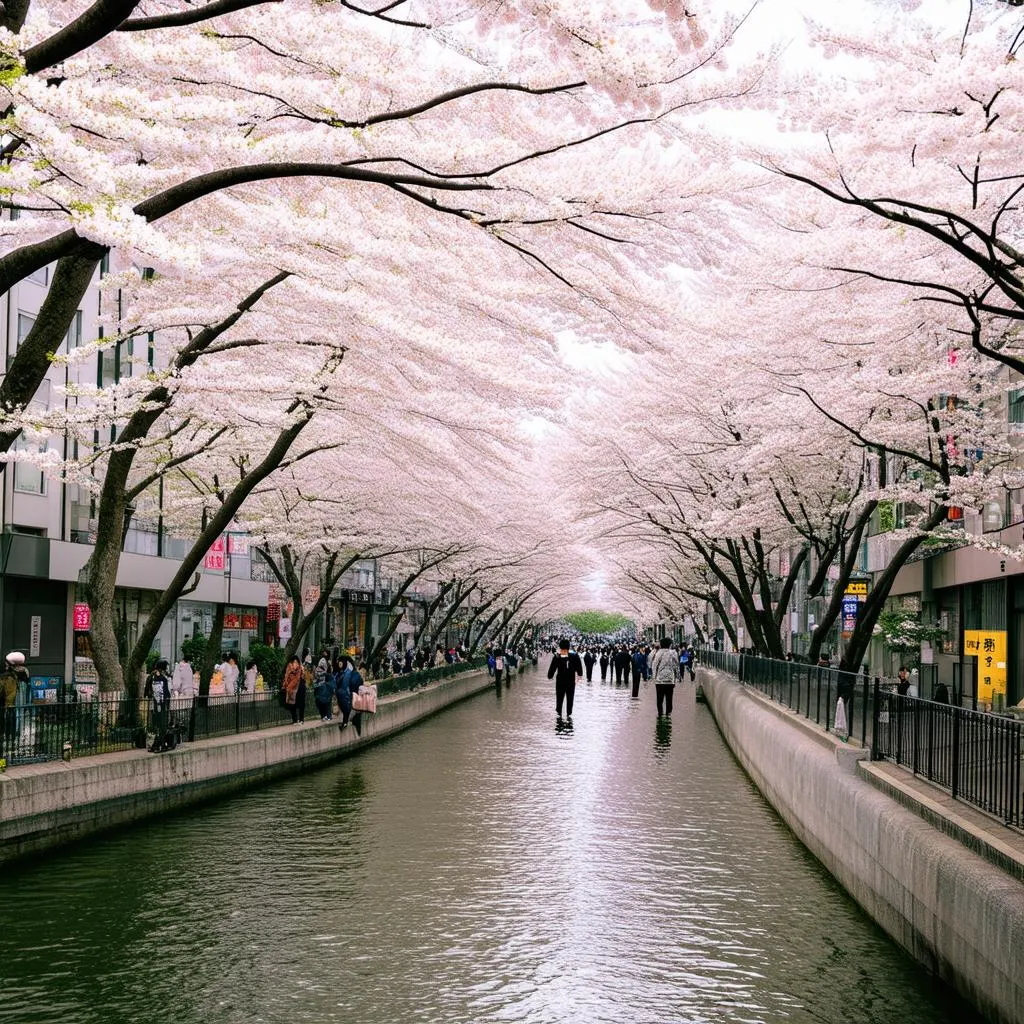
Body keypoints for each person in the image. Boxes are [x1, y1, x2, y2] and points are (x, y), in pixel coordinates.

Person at [547, 638, 584, 720]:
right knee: (570, 698)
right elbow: (580, 670)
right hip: (570, 681)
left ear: (560, 647)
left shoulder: (557, 656)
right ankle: (569, 714)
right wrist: (579, 674)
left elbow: (551, 670)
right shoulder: (574, 656)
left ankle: (559, 713)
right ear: (568, 646)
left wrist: (550, 676)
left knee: (559, 698)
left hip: (560, 681)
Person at [1, 652, 27, 757]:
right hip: (12, 706)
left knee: (7, 728)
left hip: (7, 706)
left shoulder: (8, 677)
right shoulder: (20, 674)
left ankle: (4, 759)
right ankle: (10, 751)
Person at [649, 636, 681, 716]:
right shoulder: (674, 653)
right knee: (669, 698)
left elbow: (654, 665)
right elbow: (676, 666)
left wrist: (654, 677)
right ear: (670, 645)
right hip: (670, 680)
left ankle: (660, 714)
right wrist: (678, 676)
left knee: (659, 699)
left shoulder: (658, 653)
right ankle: (668, 714)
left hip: (659, 681)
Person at [145, 659, 172, 750]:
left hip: (155, 704)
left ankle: (156, 744)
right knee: (162, 724)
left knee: (156, 725)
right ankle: (160, 744)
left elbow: (146, 690)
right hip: (163, 703)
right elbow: (166, 691)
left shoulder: (151, 676)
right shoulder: (162, 677)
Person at [282, 654, 304, 724]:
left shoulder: (300, 668)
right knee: (292, 705)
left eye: (296, 662)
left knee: (300, 704)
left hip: (299, 688)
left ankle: (301, 719)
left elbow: (299, 678)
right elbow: (286, 678)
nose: (295, 664)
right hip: (291, 689)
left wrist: (288, 686)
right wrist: (285, 686)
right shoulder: (289, 668)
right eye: (294, 662)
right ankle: (295, 719)